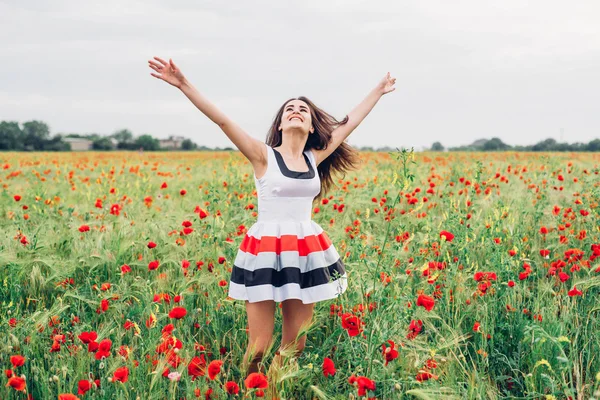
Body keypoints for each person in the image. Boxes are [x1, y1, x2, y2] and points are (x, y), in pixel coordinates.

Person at [148, 56, 396, 390]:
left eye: (303, 110)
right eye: (288, 109)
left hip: (304, 252)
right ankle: (250, 387)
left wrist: (378, 91)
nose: (295, 110)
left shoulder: (314, 158)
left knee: (296, 344)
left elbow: (349, 123)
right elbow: (222, 121)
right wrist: (183, 84)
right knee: (258, 348)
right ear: (279, 124)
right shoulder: (263, 155)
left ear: (311, 127)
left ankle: (273, 391)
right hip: (265, 251)